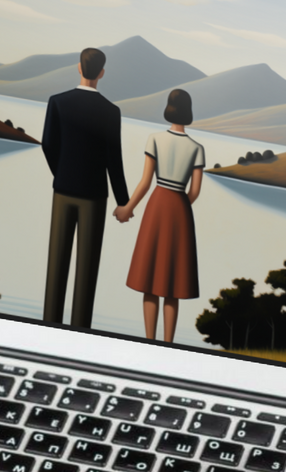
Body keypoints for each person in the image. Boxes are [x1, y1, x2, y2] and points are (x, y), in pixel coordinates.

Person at [41, 47, 131, 331]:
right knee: (87, 271)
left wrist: (62, 173)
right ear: (102, 73)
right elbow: (114, 159)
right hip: (94, 196)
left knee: (56, 265)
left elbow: (48, 144)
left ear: (78, 68)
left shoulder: (57, 102)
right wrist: (123, 201)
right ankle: (80, 331)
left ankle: (48, 326)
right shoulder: (111, 111)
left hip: (63, 191)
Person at [118, 90, 205, 343]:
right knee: (172, 284)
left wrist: (128, 208)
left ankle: (149, 340)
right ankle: (168, 343)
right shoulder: (197, 148)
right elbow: (195, 192)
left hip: (157, 206)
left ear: (169, 108)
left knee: (150, 279)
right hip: (180, 210)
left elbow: (145, 182)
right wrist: (179, 208)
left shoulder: (154, 139)